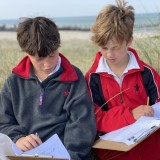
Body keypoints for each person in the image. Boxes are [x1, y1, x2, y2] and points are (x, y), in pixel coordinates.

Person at [0, 16, 96, 160]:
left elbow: (82, 125)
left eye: (52, 55)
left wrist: (70, 156)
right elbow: (3, 122)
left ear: (58, 46)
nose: (47, 64)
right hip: (23, 155)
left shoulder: (74, 78)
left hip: (64, 155)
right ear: (27, 53)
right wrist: (18, 138)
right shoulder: (14, 82)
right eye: (39, 59)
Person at [85, 0, 160, 160]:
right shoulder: (92, 79)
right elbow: (94, 120)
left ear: (129, 41)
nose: (110, 54)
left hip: (151, 153)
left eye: (115, 47)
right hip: (112, 154)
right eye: (104, 48)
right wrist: (130, 115)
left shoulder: (147, 73)